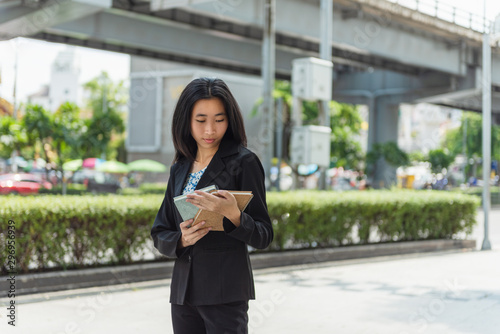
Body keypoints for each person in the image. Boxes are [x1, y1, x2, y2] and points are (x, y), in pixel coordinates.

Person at [151, 77, 273, 334]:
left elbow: (264, 235)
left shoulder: (244, 162)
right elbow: (160, 232)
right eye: (201, 120)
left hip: (225, 293)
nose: (210, 130)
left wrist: (235, 216)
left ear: (229, 120)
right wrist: (182, 240)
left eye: (219, 120)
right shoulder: (179, 168)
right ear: (186, 120)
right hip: (184, 295)